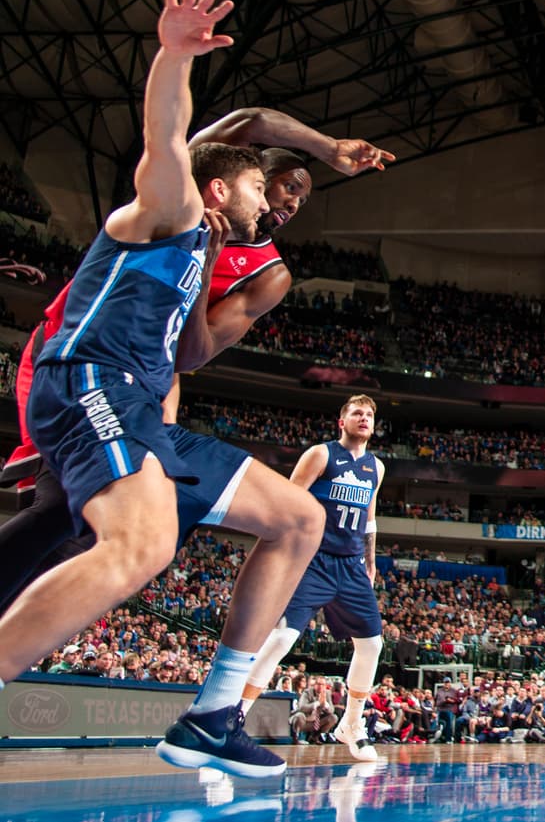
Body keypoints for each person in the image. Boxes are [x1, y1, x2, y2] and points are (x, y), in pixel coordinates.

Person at [0, 0, 324, 780]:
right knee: (140, 545)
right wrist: (173, 54)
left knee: (297, 517)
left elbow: (191, 354)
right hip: (85, 382)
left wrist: (216, 259)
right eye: (260, 187)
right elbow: (167, 135)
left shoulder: (203, 249)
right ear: (219, 187)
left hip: (141, 405)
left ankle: (213, 715)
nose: (271, 201)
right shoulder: (170, 208)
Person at [0, 117, 391, 615]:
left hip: (134, 378)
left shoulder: (269, 273)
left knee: (76, 517)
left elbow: (188, 356)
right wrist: (329, 147)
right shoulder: (187, 200)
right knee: (66, 507)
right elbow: (249, 122)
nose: (293, 203)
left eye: (303, 199)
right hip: (72, 351)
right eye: (289, 186)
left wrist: (206, 267)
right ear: (246, 177)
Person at [240, 395, 386, 763]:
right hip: (314, 560)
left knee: (371, 646)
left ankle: (351, 724)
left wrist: (370, 560)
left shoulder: (376, 467)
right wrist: (283, 552)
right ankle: (231, 718)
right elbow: (288, 501)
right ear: (342, 421)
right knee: (279, 640)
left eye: (369, 414)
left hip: (352, 564)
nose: (364, 418)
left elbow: (369, 517)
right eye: (357, 413)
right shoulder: (321, 455)